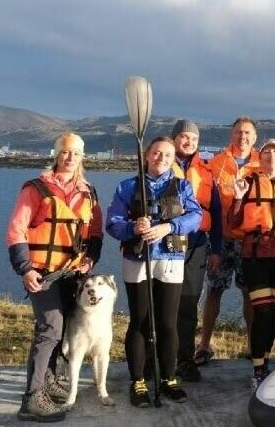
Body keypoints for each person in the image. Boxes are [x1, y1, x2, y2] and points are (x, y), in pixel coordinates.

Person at [7, 132, 104, 423]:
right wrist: (25, 268)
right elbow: (16, 230)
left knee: (61, 331)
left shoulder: (88, 192)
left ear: (81, 157)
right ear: (56, 155)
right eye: (65, 152)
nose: (70, 157)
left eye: (75, 153)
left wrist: (91, 258)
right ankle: (32, 399)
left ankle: (49, 380)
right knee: (50, 328)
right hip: (43, 273)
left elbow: (95, 232)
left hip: (72, 273)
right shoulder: (36, 189)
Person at [107, 137, 202, 408]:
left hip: (170, 259)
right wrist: (134, 228)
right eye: (156, 153)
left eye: (168, 155)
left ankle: (168, 378)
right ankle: (137, 381)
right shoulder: (127, 187)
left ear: (174, 159)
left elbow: (196, 217)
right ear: (147, 155)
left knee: (167, 323)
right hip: (138, 260)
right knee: (140, 321)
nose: (161, 158)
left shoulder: (182, 186)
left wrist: (167, 227)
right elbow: (113, 222)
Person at [228, 138, 275, 386]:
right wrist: (238, 198)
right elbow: (233, 223)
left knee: (272, 314)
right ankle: (258, 368)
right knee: (261, 313)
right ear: (260, 157)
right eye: (267, 151)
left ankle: (266, 361)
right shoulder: (247, 184)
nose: (272, 155)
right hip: (256, 257)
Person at [198, 117, 261, 365]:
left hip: (248, 241)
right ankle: (204, 345)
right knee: (214, 290)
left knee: (249, 293)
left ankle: (252, 345)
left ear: (255, 138)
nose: (242, 137)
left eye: (247, 133)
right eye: (238, 132)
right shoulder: (217, 164)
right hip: (221, 239)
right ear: (231, 135)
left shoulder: (261, 165)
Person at [169, 120, 223, 382]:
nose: (188, 142)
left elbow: (216, 211)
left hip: (197, 244)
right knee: (166, 301)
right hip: (167, 241)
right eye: (183, 137)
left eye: (193, 138)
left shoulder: (206, 171)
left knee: (189, 303)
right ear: (174, 139)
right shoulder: (160, 164)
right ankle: (160, 358)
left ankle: (185, 359)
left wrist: (217, 249)